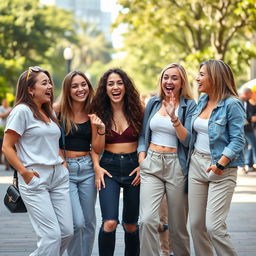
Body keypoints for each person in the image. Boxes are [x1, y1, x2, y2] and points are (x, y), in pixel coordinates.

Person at [2, 66, 73, 255]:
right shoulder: (21, 112)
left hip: (58, 176)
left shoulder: (49, 112)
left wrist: (62, 162)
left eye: (50, 82)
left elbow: (52, 140)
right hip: (35, 177)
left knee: (66, 232)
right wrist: (24, 172)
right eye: (44, 83)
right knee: (51, 236)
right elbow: (7, 147)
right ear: (30, 89)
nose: (50, 86)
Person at [138, 63, 196, 256]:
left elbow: (188, 140)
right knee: (147, 220)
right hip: (151, 162)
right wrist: (142, 157)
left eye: (174, 78)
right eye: (166, 77)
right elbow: (143, 135)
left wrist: (174, 118)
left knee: (178, 226)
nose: (169, 81)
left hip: (176, 165)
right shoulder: (153, 103)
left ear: (182, 83)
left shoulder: (190, 106)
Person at [188, 60, 245, 256]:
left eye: (202, 74)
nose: (197, 78)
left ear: (215, 77)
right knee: (196, 225)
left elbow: (238, 140)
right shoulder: (202, 101)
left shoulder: (233, 104)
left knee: (214, 226)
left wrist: (220, 164)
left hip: (221, 169)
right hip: (196, 165)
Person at [91, 68, 144, 256]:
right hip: (108, 168)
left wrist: (142, 165)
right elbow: (95, 148)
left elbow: (146, 141)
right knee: (110, 222)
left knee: (131, 224)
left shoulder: (139, 110)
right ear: (105, 89)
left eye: (119, 83)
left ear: (126, 87)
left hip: (133, 167)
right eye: (111, 83)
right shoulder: (97, 113)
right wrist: (97, 167)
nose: (115, 87)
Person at [54, 70, 105, 256]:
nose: (80, 89)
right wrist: (61, 159)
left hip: (87, 168)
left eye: (83, 85)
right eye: (75, 86)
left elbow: (97, 148)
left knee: (90, 222)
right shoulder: (57, 110)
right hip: (65, 168)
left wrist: (100, 129)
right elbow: (51, 139)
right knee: (77, 223)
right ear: (67, 90)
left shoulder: (93, 112)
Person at [239, 87, 256, 173]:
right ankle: (242, 166)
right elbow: (241, 115)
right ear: (246, 93)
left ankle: (247, 164)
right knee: (244, 146)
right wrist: (250, 119)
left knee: (249, 146)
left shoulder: (247, 102)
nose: (251, 95)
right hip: (242, 128)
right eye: (250, 93)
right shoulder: (239, 102)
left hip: (248, 128)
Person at [0, 98, 12, 169]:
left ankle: (7, 164)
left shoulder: (10, 108)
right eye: (4, 102)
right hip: (1, 129)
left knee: (8, 146)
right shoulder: (1, 108)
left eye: (6, 102)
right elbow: (2, 116)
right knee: (2, 146)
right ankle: (3, 161)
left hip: (9, 128)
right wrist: (8, 112)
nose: (5, 103)